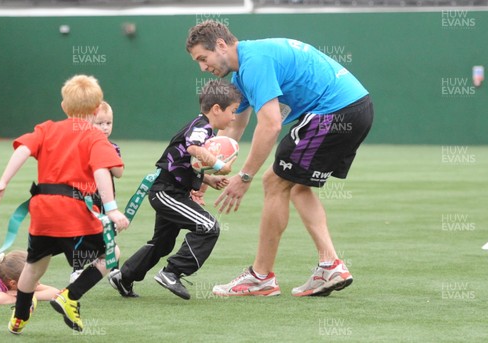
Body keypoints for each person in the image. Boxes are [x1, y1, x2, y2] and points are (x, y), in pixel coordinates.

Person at [186, 21, 374, 297]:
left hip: (335, 111)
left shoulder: (254, 64)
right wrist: (205, 173)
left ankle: (260, 277)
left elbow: (271, 125)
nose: (203, 67)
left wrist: (244, 177)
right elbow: (233, 127)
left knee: (273, 182)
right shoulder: (245, 72)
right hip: (356, 108)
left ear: (222, 45)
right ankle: (330, 265)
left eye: (204, 58)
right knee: (297, 186)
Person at [0, 74, 130, 334]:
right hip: (74, 212)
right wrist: (112, 209)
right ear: (97, 109)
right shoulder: (95, 137)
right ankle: (70, 296)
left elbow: (23, 150)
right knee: (112, 253)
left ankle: (18, 318)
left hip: (43, 212)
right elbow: (101, 171)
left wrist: (2, 181)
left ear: (64, 106)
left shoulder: (47, 128)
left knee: (34, 266)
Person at [109, 79, 240, 300]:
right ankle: (172, 272)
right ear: (217, 109)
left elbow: (185, 162)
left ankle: (124, 277)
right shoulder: (202, 127)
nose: (234, 117)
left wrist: (207, 179)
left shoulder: (203, 127)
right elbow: (193, 148)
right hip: (166, 192)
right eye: (233, 111)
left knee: (162, 243)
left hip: (171, 190)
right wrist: (220, 166)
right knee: (208, 227)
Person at [69, 101, 123, 284]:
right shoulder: (82, 145)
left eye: (108, 123)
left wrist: (108, 158)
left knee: (109, 229)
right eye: (100, 123)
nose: (105, 127)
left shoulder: (113, 147)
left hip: (106, 200)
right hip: (85, 199)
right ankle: (77, 269)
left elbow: (119, 172)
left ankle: (113, 269)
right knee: (83, 232)